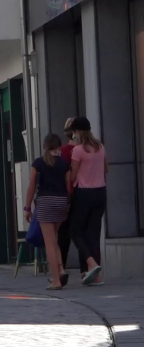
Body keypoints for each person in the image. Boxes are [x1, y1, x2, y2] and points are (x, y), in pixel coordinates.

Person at [24, 133, 72, 289]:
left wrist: (27, 207)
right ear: (59, 146)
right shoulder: (64, 164)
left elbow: (32, 185)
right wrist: (67, 204)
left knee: (49, 243)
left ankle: (56, 280)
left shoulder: (38, 163)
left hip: (45, 202)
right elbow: (68, 186)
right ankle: (61, 269)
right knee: (54, 239)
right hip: (61, 202)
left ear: (45, 146)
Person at [69, 117, 107, 286]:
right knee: (93, 234)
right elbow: (106, 169)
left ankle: (91, 264)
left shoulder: (78, 150)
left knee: (76, 232)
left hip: (84, 193)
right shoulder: (100, 147)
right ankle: (93, 275)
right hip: (100, 192)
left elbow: (73, 175)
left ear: (77, 132)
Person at [58, 118, 79, 276]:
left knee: (63, 234)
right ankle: (88, 267)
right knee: (81, 232)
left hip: (66, 194)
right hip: (81, 192)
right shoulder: (85, 150)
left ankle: (61, 268)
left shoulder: (63, 151)